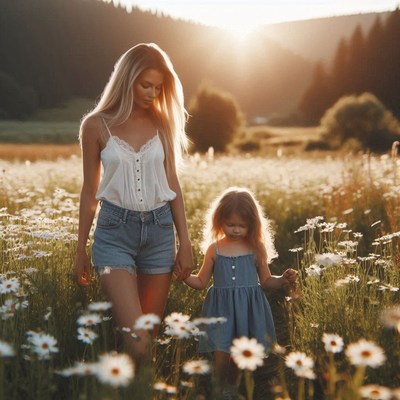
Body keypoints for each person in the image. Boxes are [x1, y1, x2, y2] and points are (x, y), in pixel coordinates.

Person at [73, 43, 194, 363]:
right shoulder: (95, 125)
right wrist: (80, 248)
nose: (153, 93)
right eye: (146, 85)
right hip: (114, 234)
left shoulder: (163, 124)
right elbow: (89, 190)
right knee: (138, 341)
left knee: (144, 343)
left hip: (159, 233)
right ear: (127, 79)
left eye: (158, 87)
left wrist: (185, 242)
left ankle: (126, 387)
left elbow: (173, 185)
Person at [184, 187, 297, 398]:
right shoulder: (214, 249)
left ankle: (232, 388)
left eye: (242, 226)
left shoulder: (256, 248)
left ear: (252, 225)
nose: (236, 230)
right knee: (220, 353)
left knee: (239, 354)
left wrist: (281, 280)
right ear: (220, 221)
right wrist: (183, 276)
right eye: (230, 224)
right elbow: (200, 282)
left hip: (248, 310)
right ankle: (219, 388)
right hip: (221, 310)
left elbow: (265, 281)